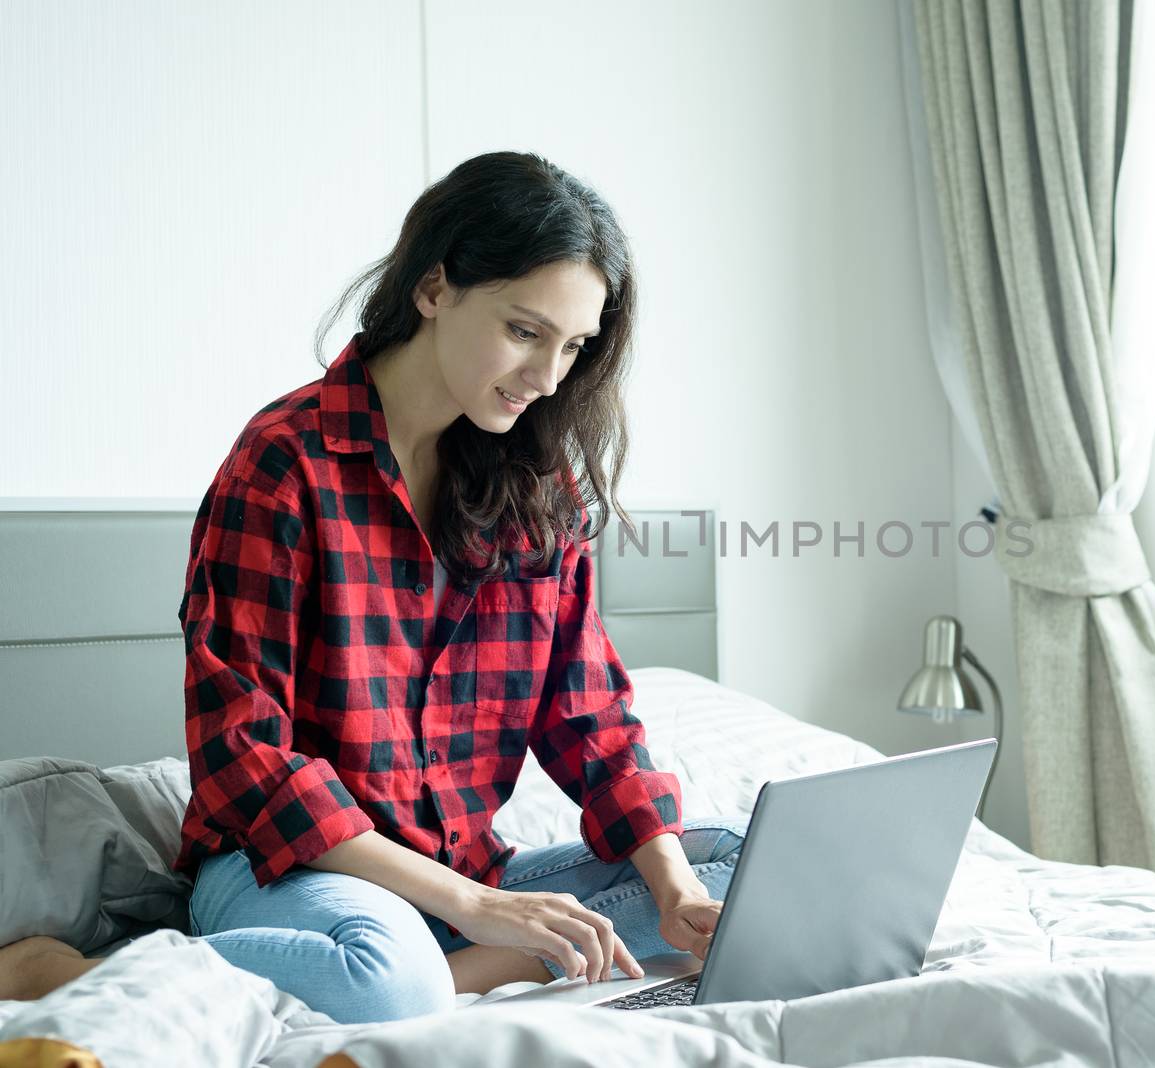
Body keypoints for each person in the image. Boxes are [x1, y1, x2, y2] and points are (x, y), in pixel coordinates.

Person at [0, 151, 746, 1024]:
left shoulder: (538, 488)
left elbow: (590, 717)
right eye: (524, 331)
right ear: (434, 289)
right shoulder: (285, 465)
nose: (548, 378)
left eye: (574, 346)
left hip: (463, 873)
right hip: (292, 871)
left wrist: (671, 887)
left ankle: (465, 962)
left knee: (733, 866)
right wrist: (474, 909)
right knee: (386, 976)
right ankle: (73, 971)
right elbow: (246, 757)